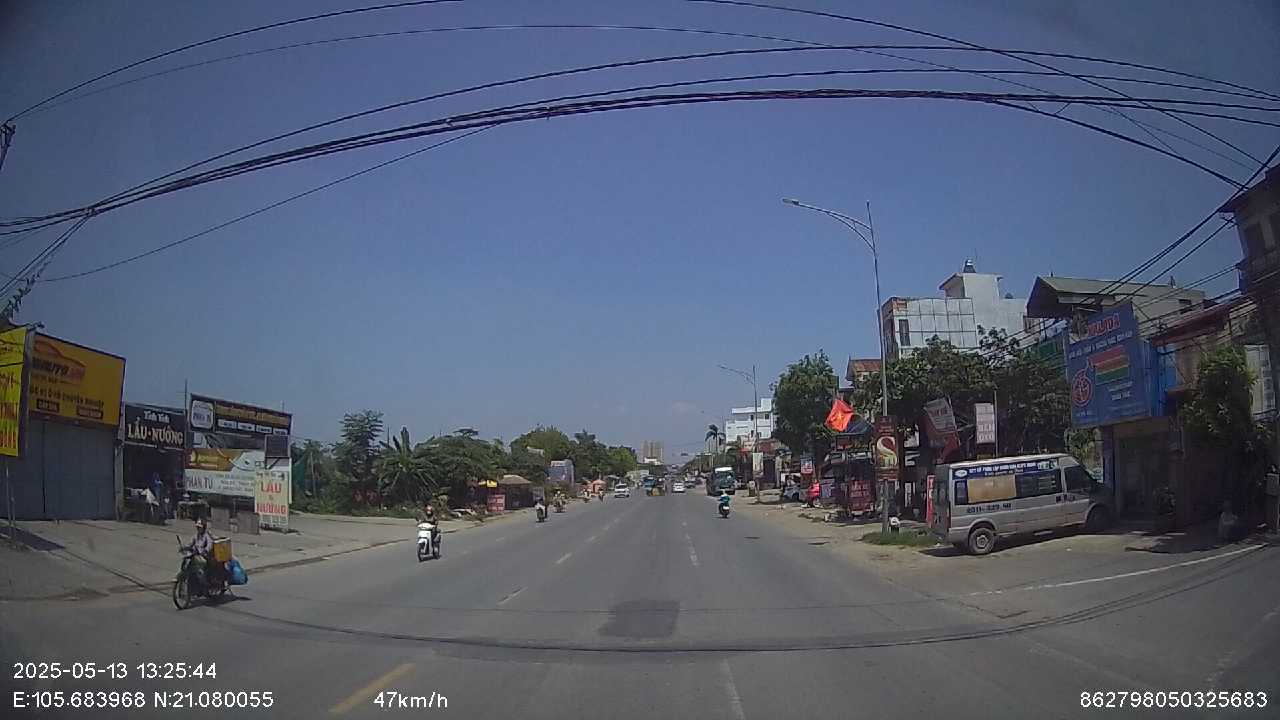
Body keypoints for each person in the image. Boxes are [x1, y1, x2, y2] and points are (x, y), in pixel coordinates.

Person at [189, 519, 217, 588]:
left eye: (199, 527)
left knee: (203, 566)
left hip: (205, 556)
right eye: (197, 527)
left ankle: (206, 581)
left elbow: (210, 545)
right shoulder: (196, 535)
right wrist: (185, 547)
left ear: (203, 528)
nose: (198, 529)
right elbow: (190, 543)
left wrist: (205, 551)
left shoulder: (207, 536)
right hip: (196, 555)